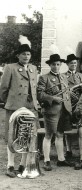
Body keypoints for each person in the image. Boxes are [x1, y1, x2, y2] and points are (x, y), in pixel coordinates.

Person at [0, 43, 40, 178]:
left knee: (28, 137)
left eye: (28, 54)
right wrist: (10, 103)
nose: (26, 56)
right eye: (23, 54)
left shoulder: (34, 68)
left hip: (30, 107)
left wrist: (35, 104)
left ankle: (23, 165)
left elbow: (34, 89)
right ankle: (10, 166)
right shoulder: (10, 68)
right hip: (14, 107)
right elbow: (3, 89)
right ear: (18, 55)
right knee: (12, 137)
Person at [37, 54, 73, 171]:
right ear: (50, 65)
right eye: (54, 64)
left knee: (60, 135)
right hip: (51, 111)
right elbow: (40, 94)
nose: (56, 66)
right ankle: (47, 160)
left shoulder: (63, 77)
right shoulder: (44, 77)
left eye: (58, 64)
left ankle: (61, 159)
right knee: (48, 135)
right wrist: (53, 98)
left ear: (61, 65)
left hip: (64, 110)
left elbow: (66, 92)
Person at [63, 54, 82, 159]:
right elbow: (62, 89)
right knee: (67, 126)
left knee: (81, 125)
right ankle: (68, 150)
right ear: (67, 64)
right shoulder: (63, 75)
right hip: (68, 104)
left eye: (75, 63)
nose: (73, 65)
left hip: (79, 104)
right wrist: (68, 92)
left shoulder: (81, 76)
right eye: (71, 63)